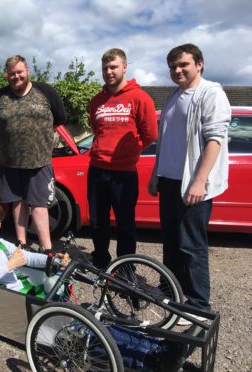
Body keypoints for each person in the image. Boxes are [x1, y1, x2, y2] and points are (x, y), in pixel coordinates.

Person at [149, 43, 230, 315]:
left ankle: (198, 306)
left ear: (199, 64)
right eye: (173, 66)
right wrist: (155, 174)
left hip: (192, 185)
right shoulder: (173, 97)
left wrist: (200, 181)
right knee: (171, 241)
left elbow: (215, 139)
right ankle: (169, 288)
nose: (177, 70)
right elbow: (165, 142)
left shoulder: (211, 93)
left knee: (191, 247)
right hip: (169, 181)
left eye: (183, 64)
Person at [0, 55, 66, 252]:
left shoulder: (46, 92)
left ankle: (46, 248)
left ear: (27, 70)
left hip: (39, 162)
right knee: (17, 204)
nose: (16, 77)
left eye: (20, 72)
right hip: (10, 163)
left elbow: (59, 120)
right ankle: (21, 243)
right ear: (7, 75)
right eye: (12, 74)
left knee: (39, 206)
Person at [88, 48, 158, 269]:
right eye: (105, 68)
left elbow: (151, 135)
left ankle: (125, 267)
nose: (109, 71)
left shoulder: (139, 97)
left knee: (125, 224)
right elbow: (96, 129)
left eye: (113, 67)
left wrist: (129, 152)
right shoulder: (97, 100)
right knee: (98, 222)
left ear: (124, 67)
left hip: (124, 173)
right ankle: (100, 262)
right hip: (97, 170)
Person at [0, 200, 69, 292]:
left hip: (23, 292)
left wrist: (54, 259)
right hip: (4, 303)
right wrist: (10, 265)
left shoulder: (0, 243)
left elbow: (29, 257)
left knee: (62, 285)